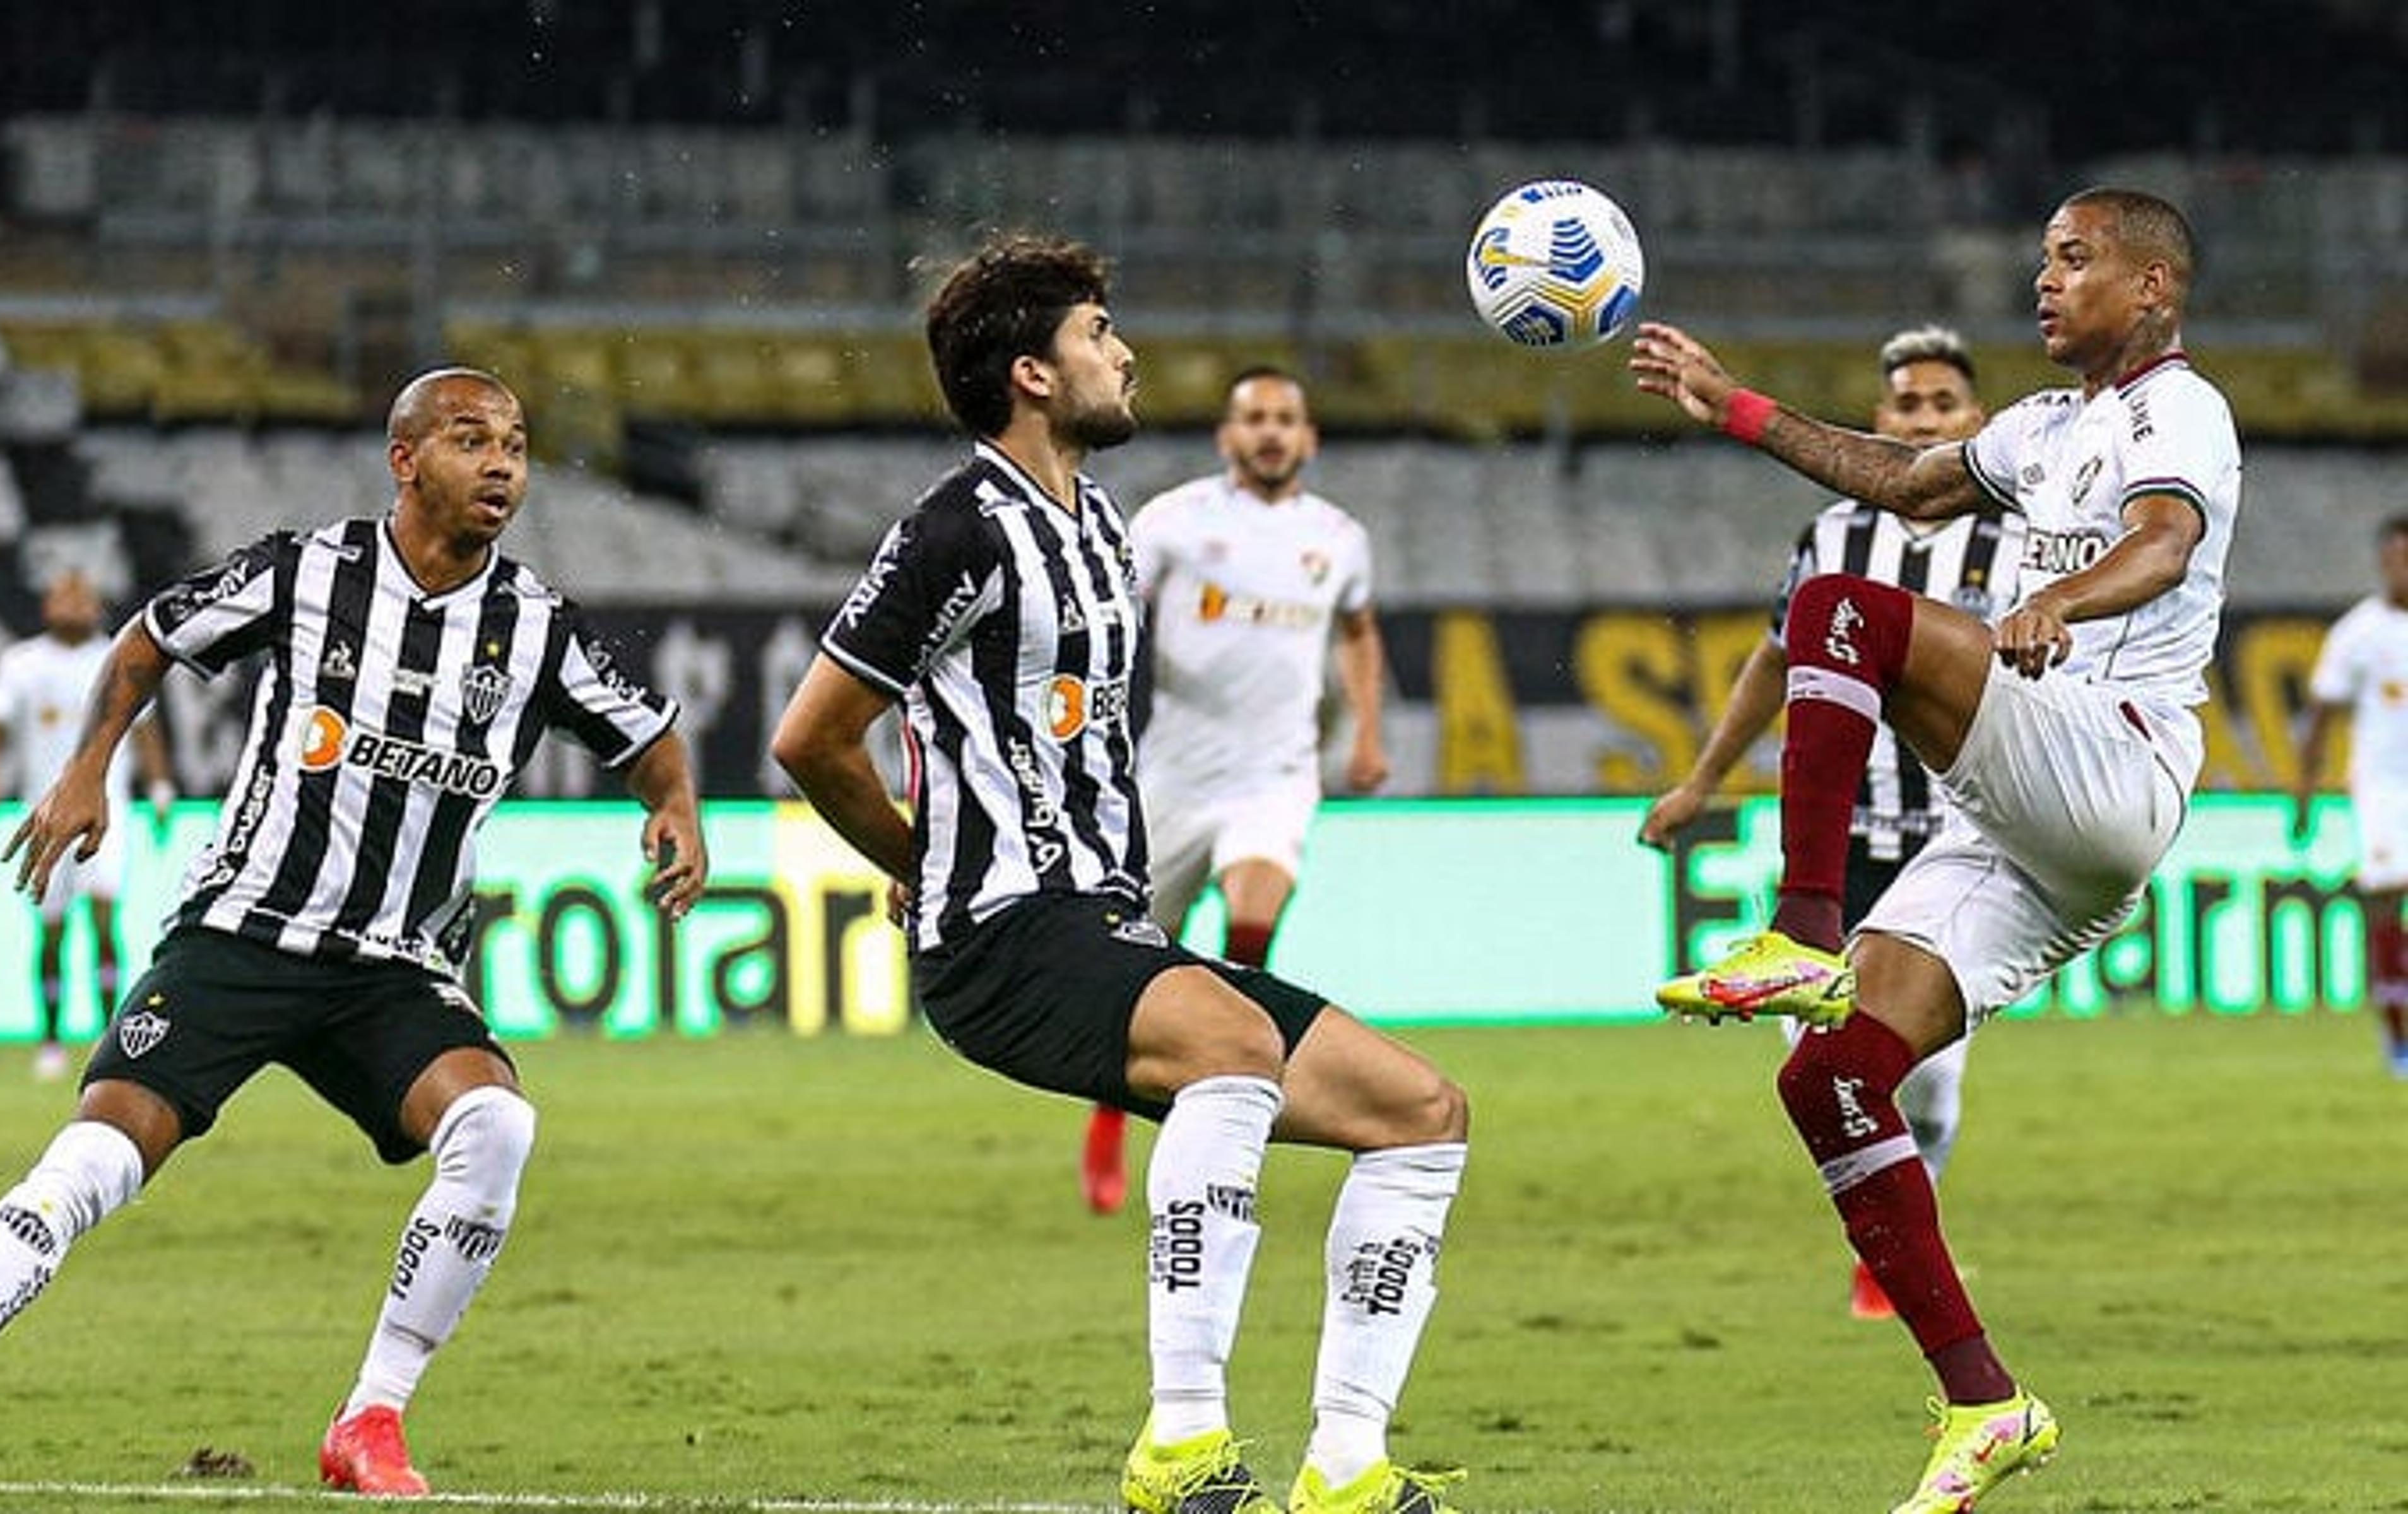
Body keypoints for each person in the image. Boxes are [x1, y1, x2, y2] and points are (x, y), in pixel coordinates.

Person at [772, 233, 1469, 1514]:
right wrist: (929, 869)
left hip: (1108, 920)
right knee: (1232, 1044)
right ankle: (1183, 1444)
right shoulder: (957, 529)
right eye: (1100, 332)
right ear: (1033, 374)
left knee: (1424, 1115)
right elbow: (811, 736)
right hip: (1001, 935)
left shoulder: (1096, 523)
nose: (1126, 351)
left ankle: (1347, 1464)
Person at [0, 368, 709, 1496]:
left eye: (517, 445)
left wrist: (673, 807)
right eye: (473, 441)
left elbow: (649, 737)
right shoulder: (303, 572)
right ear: (407, 460)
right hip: (245, 933)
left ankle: (371, 1417)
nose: (504, 465)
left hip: (393, 971)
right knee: (93, 1160)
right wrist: (87, 770)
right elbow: (148, 640)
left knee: (496, 1130)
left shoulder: (537, 627)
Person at [1628, 186, 2240, 1513]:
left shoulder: (2178, 411)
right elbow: (1900, 479)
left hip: (2114, 758)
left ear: (2150, 290)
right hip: (2023, 835)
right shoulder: (2038, 427)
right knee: (1833, 1083)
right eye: (2041, 260)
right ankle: (1985, 1402)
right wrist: (1735, 404)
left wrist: (2058, 597)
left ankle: (1799, 931)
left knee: (1847, 609)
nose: (2046, 281)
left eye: (2075, 261)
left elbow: (2164, 540)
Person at [1638, 326, 2017, 1322]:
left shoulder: (2017, 536)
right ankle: (1883, 1254)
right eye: (1907, 407)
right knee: (1822, 1071)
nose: (1924, 418)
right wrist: (1702, 778)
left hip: (1956, 834)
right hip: (1840, 837)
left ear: (1973, 422)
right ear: (1881, 422)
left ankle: (1896, 1248)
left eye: (1942, 405)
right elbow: (1776, 659)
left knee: (1926, 1089)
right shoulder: (1833, 536)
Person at [1077, 365, 1391, 1217]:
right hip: (1174, 776)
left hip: (1276, 775)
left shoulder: (1340, 538)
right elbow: (1109, 619)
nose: (1270, 432)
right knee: (1135, 960)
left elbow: (1358, 634)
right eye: (1254, 418)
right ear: (1228, 436)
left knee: (1252, 926)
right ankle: (1110, 1119)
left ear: (1309, 437)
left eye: (1286, 418)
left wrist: (1365, 730)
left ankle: (1227, 1100)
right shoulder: (1174, 523)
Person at [0, 569, 177, 1082]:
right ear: (46, 604)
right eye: (62, 593)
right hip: (42, 815)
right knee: (50, 932)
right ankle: (49, 1038)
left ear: (97, 605)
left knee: (102, 918)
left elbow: (145, 727)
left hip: (107, 812)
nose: (72, 601)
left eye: (82, 593)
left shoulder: (115, 657)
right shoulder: (21, 663)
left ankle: (106, 1034)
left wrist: (159, 786)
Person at [2293, 513, 2408, 1076]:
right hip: (2385, 790)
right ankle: (2398, 1037)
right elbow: (2319, 716)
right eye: (2394, 558)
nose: (2400, 568)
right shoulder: (2358, 633)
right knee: (2386, 900)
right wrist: (2304, 794)